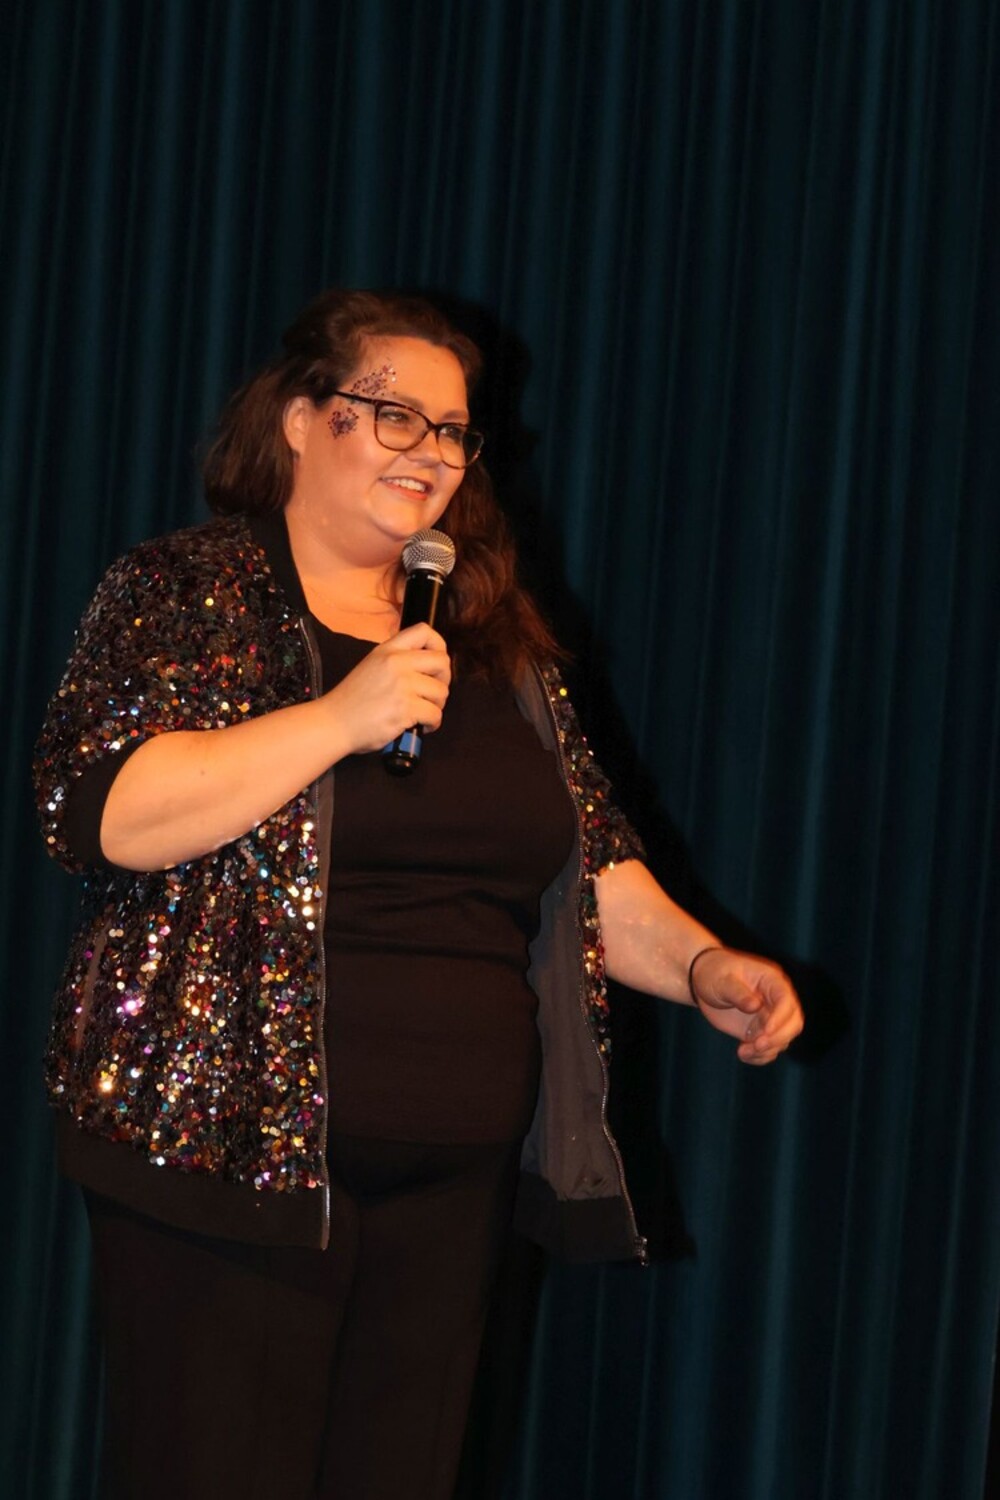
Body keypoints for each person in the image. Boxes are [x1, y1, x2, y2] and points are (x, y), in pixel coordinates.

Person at [34, 288, 803, 1499]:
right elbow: (102, 815)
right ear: (300, 420)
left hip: (453, 1169)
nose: (432, 453)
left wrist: (704, 964)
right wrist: (341, 718)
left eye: (452, 431)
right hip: (230, 1162)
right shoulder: (184, 588)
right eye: (395, 415)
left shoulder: (492, 639)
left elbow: (588, 859)